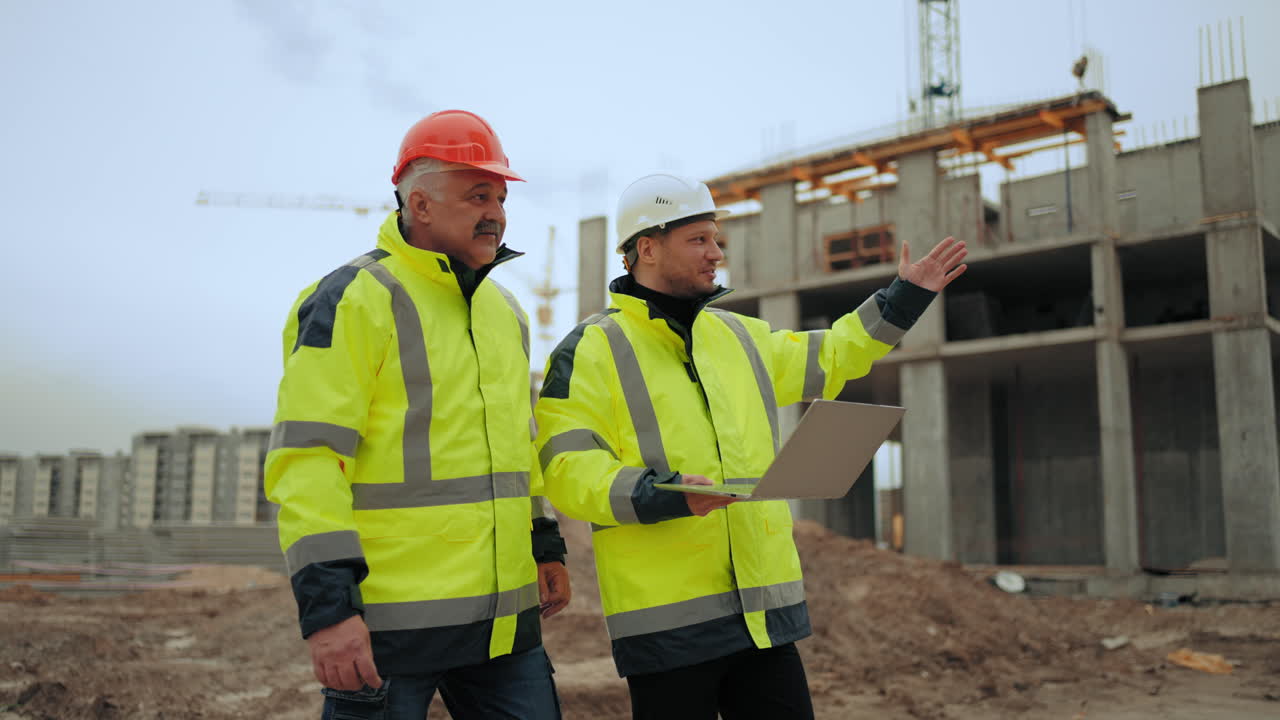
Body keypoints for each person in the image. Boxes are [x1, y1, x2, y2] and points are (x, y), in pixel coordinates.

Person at [534, 173, 967, 719]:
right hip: (669, 629)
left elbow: (834, 354)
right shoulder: (590, 350)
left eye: (716, 240)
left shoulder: (739, 337)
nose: (716, 253)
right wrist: (660, 494)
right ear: (647, 248)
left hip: (764, 619)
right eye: (699, 239)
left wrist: (903, 299)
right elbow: (566, 468)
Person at [265, 109, 570, 720]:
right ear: (421, 205)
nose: (497, 213)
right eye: (478, 195)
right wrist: (329, 611)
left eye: (501, 198)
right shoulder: (353, 299)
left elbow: (516, 447)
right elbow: (308, 461)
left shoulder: (504, 312)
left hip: (503, 627)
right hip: (388, 631)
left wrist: (544, 543)